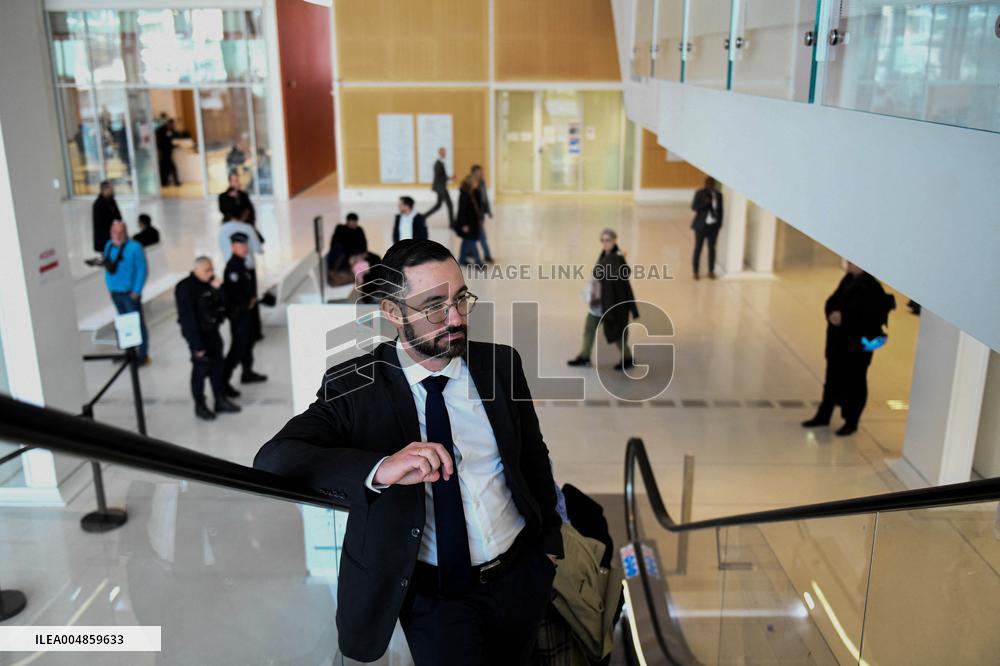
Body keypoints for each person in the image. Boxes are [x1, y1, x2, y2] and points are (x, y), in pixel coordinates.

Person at [254, 239, 563, 665]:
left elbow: (532, 455)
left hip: (520, 577)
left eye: (460, 300)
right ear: (392, 312)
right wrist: (380, 469)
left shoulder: (501, 365)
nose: (454, 318)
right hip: (436, 599)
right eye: (434, 305)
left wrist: (547, 549)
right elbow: (274, 458)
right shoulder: (355, 386)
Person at [802, 262, 894, 436]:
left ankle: (851, 421)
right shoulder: (848, 280)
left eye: (852, 262)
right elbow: (831, 301)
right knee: (832, 379)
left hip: (855, 348)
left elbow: (869, 318)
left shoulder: (871, 288)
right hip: (838, 344)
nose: (848, 264)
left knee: (855, 383)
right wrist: (832, 314)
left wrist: (843, 318)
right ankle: (824, 415)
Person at [174, 257, 242, 421]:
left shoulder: (210, 284)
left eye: (212, 269)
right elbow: (187, 319)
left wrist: (220, 289)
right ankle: (200, 405)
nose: (211, 273)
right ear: (196, 270)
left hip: (213, 334)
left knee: (218, 368)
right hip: (198, 337)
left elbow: (228, 307)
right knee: (200, 371)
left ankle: (220, 400)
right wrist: (197, 345)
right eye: (207, 270)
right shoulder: (185, 288)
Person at [567, 229, 640, 371]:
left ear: (614, 241)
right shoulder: (608, 255)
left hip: (610, 304)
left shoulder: (615, 258)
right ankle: (584, 356)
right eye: (602, 240)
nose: (605, 243)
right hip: (599, 303)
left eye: (608, 240)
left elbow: (615, 278)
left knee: (616, 332)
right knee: (589, 328)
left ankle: (628, 358)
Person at [222, 233, 267, 386]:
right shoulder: (233, 267)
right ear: (233, 247)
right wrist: (248, 302)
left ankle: (247, 372)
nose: (245, 248)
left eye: (246, 245)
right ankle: (223, 381)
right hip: (239, 315)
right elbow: (234, 294)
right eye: (241, 246)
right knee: (238, 348)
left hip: (247, 313)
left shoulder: (242, 264)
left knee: (248, 343)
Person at [103, 221, 150, 364]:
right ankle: (129, 352)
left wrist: (137, 290)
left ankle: (142, 354)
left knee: (136, 323)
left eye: (120, 232)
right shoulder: (109, 246)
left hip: (129, 293)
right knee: (123, 324)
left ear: (125, 232)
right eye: (114, 232)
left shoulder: (135, 248)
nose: (116, 236)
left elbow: (142, 270)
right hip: (115, 292)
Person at [690, 176, 724, 279]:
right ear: (705, 185)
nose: (710, 186)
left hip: (713, 227)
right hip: (701, 226)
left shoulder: (718, 195)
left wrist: (719, 224)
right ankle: (695, 272)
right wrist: (706, 203)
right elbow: (694, 207)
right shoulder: (700, 193)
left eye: (712, 184)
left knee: (712, 249)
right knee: (698, 248)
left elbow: (721, 210)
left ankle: (711, 271)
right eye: (708, 184)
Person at [327, 213, 369, 286]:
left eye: (354, 223)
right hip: (344, 257)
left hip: (357, 254)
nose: (353, 225)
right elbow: (338, 245)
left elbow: (364, 245)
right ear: (347, 222)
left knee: (375, 258)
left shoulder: (359, 230)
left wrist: (361, 255)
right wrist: (351, 257)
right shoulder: (341, 229)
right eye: (351, 223)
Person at [454, 174, 483, 267]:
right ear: (471, 183)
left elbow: (476, 207)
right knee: (472, 241)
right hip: (467, 223)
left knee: (466, 240)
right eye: (476, 182)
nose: (478, 184)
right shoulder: (465, 194)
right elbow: (462, 211)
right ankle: (478, 261)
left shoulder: (473, 192)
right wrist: (464, 225)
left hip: (473, 222)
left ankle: (462, 259)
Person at [424, 147, 454, 226]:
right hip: (440, 188)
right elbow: (439, 176)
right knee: (450, 204)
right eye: (443, 152)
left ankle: (422, 217)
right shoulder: (437, 164)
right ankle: (452, 224)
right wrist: (449, 178)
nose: (444, 154)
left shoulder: (441, 163)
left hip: (441, 187)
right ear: (439, 153)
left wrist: (448, 178)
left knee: (438, 205)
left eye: (445, 152)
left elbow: (441, 175)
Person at [471, 165, 494, 263]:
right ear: (474, 173)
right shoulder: (471, 184)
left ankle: (468, 252)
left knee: (475, 236)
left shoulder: (482, 182)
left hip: (480, 214)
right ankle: (487, 255)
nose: (482, 173)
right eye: (479, 172)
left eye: (482, 172)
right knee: (481, 236)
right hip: (474, 216)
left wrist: (488, 211)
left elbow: (485, 198)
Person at [92, 181, 122, 253]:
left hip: (114, 236)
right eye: (111, 188)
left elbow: (118, 217)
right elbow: (101, 223)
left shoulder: (112, 201)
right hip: (104, 239)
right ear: (104, 189)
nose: (113, 190)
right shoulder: (98, 204)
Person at [155, 118, 180, 187]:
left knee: (167, 168)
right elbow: (164, 142)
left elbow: (169, 140)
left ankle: (167, 182)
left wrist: (173, 145)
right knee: (169, 168)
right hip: (164, 153)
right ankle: (170, 182)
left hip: (167, 153)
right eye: (172, 124)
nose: (172, 126)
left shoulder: (168, 130)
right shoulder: (162, 131)